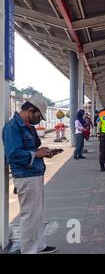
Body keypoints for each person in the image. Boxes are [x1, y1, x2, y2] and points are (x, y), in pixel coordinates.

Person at [2, 94, 60, 254]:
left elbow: (34, 149)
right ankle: (29, 250)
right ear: (30, 110)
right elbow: (13, 154)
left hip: (34, 173)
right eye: (39, 116)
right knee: (29, 215)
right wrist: (37, 154)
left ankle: (39, 246)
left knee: (38, 215)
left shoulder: (27, 126)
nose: (40, 120)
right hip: (26, 176)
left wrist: (45, 152)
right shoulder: (12, 127)